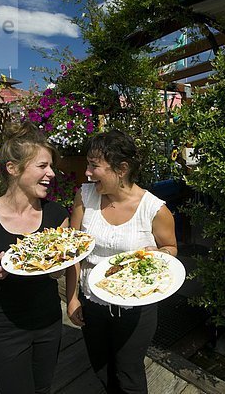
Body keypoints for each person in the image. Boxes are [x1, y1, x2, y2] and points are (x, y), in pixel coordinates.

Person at [0, 122, 69, 394]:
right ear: (13, 168)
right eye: (43, 166)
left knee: (43, 387)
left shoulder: (57, 216)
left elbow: (59, 270)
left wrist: (59, 267)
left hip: (49, 320)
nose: (51, 174)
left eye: (51, 167)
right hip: (4, 326)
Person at [65, 130, 177, 394]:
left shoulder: (155, 209)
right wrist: (72, 298)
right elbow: (74, 251)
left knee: (129, 374)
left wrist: (161, 254)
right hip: (92, 301)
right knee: (101, 367)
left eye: (94, 165)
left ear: (121, 169)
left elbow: (171, 248)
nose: (87, 173)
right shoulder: (85, 196)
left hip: (135, 308)